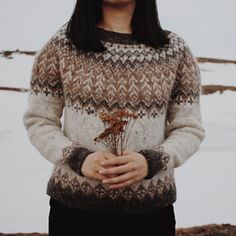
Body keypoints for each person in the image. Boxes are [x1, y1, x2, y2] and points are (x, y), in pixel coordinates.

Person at [23, 0, 206, 235]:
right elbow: (40, 120)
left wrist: (153, 161)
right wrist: (77, 158)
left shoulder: (174, 50)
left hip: (151, 213)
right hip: (73, 211)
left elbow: (189, 128)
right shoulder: (63, 45)